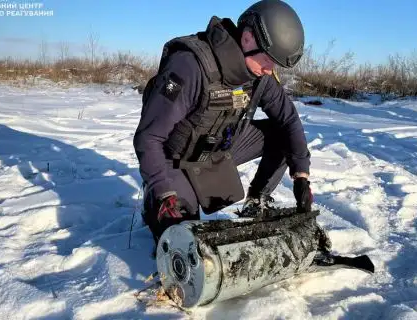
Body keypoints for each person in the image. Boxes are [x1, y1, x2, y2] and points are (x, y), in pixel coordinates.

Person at [133, 0, 313, 243]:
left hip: (219, 148)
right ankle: (154, 200)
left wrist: (301, 174)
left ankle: (256, 204)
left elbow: (288, 118)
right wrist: (164, 192)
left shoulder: (259, 75)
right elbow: (149, 137)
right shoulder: (189, 66)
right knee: (184, 241)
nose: (270, 70)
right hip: (175, 159)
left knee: (282, 136)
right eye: (268, 60)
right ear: (248, 38)